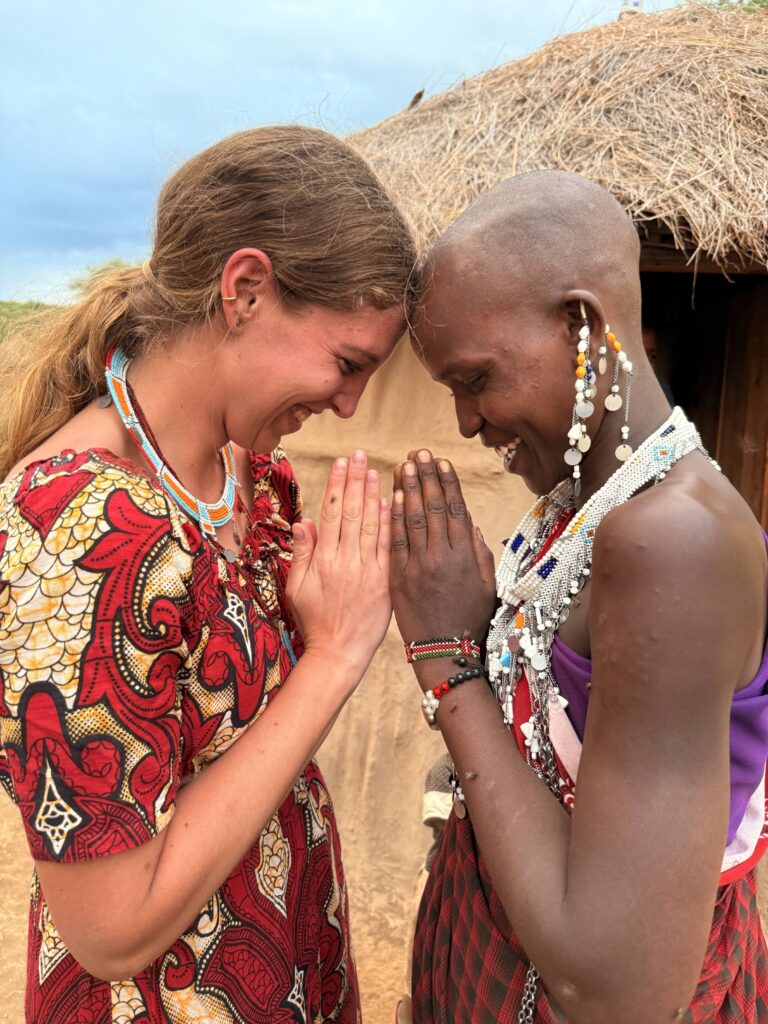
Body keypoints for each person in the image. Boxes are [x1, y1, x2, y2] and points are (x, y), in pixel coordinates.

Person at [0, 125, 414, 1023]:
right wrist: (335, 657)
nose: (348, 405)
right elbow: (109, 932)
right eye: (347, 365)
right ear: (246, 290)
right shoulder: (81, 530)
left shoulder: (249, 483)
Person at [389, 171, 768, 1023]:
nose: (463, 423)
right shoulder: (587, 507)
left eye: (474, 379)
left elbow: (615, 986)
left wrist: (449, 661)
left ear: (580, 325)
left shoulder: (671, 543)